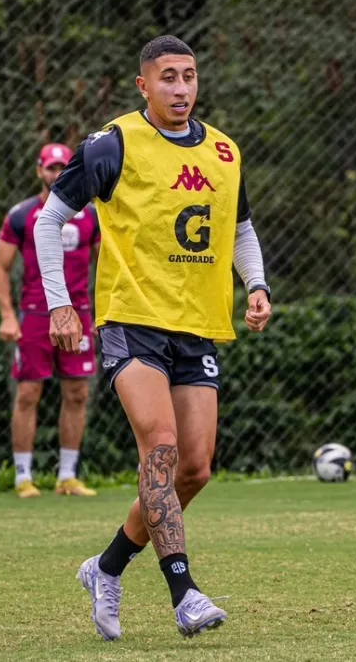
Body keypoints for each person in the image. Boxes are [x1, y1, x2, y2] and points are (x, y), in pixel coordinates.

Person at [33, 35, 272, 639]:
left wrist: (256, 285)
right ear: (144, 85)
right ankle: (184, 593)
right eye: (168, 77)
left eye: (189, 76)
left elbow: (240, 228)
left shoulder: (224, 151)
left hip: (198, 326)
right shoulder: (112, 144)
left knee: (194, 469)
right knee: (160, 448)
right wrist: (61, 307)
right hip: (131, 321)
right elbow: (49, 219)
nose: (181, 88)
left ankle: (107, 567)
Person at [0, 143, 101, 499]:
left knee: (78, 392)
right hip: (37, 315)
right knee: (28, 392)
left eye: (62, 168)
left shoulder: (92, 215)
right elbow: (0, 267)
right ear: (39, 170)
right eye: (50, 168)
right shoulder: (23, 215)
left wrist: (105, 313)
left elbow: (109, 264)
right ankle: (23, 476)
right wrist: (8, 315)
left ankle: (67, 476)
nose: (56, 174)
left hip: (81, 314)